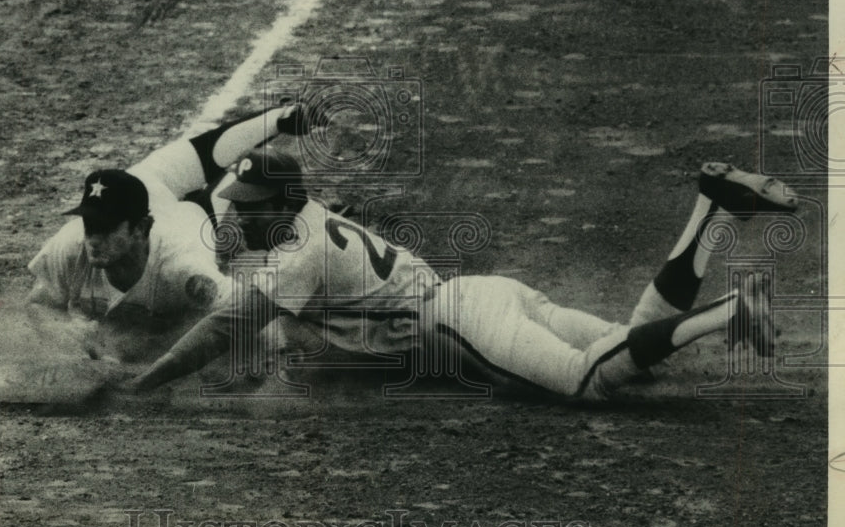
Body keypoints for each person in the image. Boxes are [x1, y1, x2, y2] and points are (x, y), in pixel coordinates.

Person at [124, 150, 799, 400]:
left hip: (461, 319)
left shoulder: (298, 251)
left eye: (247, 210)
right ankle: (713, 212)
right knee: (634, 350)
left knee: (588, 381)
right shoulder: (310, 221)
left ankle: (728, 313)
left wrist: (145, 383)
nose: (237, 221)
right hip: (484, 298)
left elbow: (225, 329)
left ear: (278, 205)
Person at [25, 104, 319, 360]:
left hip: (193, 216)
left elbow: (247, 311)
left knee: (211, 167)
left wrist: (276, 350)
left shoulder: (184, 267)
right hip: (146, 182)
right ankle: (278, 121)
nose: (94, 238)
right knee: (174, 161)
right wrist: (61, 332)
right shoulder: (70, 246)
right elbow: (38, 306)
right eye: (91, 224)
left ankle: (281, 117)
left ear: (140, 229)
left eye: (106, 227)